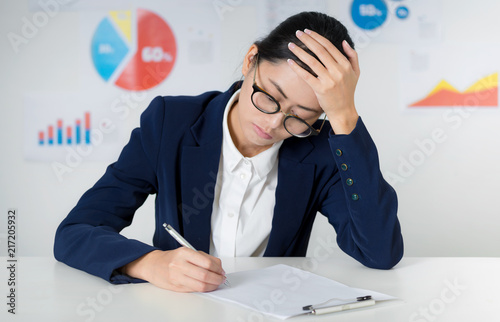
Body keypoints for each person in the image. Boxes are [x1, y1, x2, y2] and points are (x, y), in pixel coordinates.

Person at [54, 11, 403, 293]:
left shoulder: (322, 148)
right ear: (251, 60)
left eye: (299, 117)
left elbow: (380, 252)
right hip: (177, 309)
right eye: (270, 96)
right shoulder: (169, 123)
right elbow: (75, 231)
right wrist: (149, 263)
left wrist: (344, 116)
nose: (273, 123)